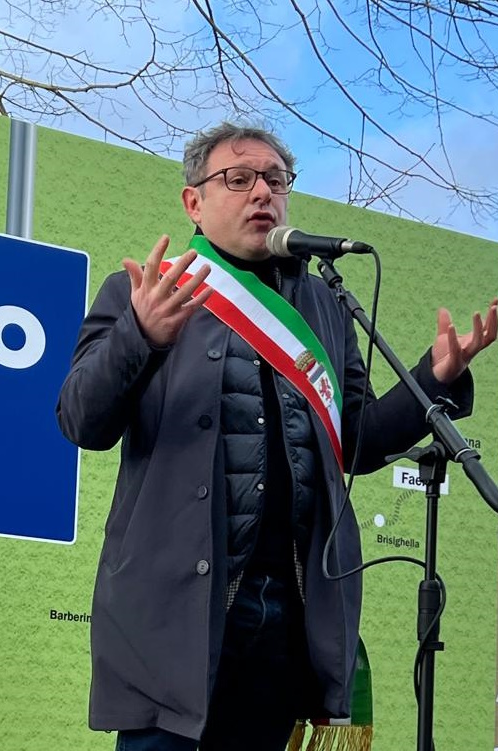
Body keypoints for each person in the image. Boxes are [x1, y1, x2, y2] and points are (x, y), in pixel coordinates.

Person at [55, 122, 498, 751]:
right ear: (194, 202)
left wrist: (435, 376)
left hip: (291, 612)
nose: (262, 192)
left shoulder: (324, 304)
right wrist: (141, 336)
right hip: (178, 614)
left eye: (275, 179)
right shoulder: (145, 292)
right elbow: (81, 420)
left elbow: (359, 440)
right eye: (238, 179)